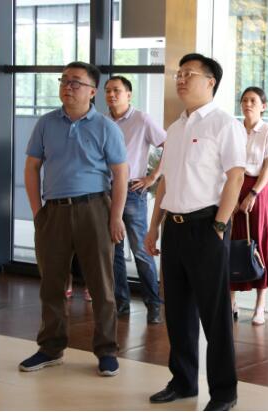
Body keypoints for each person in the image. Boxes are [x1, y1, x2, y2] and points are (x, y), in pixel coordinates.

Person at [144, 53, 244, 411]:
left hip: (207, 227)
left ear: (210, 82)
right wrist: (154, 226)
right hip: (174, 227)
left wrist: (220, 224)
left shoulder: (224, 124)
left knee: (215, 316)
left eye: (189, 74)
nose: (181, 79)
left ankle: (224, 392)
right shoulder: (175, 127)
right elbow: (165, 182)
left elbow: (235, 177)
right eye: (179, 74)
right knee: (178, 311)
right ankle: (183, 381)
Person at [20, 61, 128, 376]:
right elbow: (32, 167)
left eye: (76, 82)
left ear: (92, 91)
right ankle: (50, 348)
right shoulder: (46, 123)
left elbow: (121, 175)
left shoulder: (106, 127)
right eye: (64, 80)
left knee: (101, 285)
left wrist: (116, 216)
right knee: (51, 283)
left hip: (94, 209)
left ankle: (106, 351)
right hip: (53, 211)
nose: (68, 86)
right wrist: (38, 213)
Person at [104, 75, 166, 324]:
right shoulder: (102, 121)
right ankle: (122, 304)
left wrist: (153, 176)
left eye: (117, 91)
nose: (111, 95)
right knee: (113, 252)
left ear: (128, 95)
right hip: (105, 192)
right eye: (108, 90)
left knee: (141, 250)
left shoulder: (141, 119)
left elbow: (169, 145)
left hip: (132, 191)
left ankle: (154, 305)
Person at [229, 86, 268, 326]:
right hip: (234, 186)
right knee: (232, 241)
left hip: (257, 189)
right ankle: (231, 301)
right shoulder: (234, 129)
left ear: (263, 106)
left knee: (259, 241)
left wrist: (253, 193)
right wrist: (231, 195)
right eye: (244, 100)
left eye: (253, 100)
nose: (247, 104)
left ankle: (260, 305)